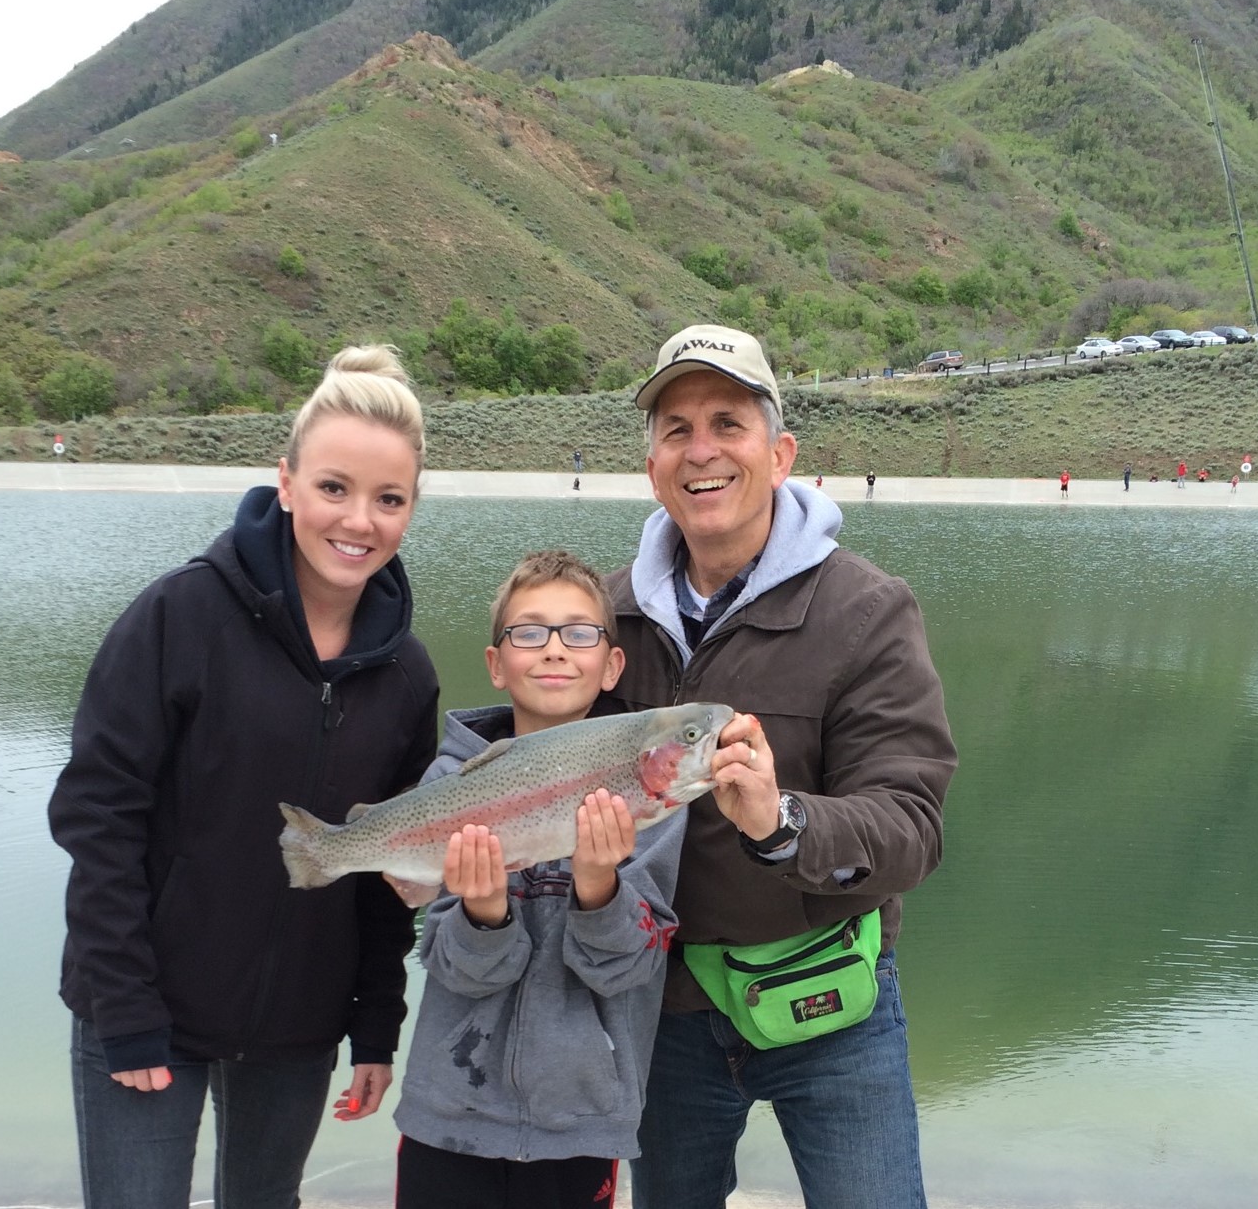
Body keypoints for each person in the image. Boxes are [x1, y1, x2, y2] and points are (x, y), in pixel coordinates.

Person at [47, 345, 441, 1209]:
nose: (360, 520)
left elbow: (387, 860)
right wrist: (125, 1009)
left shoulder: (406, 674)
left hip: (299, 1028)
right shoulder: (181, 615)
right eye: (335, 487)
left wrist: (375, 1026)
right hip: (148, 1005)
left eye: (389, 499)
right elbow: (97, 818)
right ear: (287, 482)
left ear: (411, 509)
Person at [606, 324, 957, 1209]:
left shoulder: (869, 610)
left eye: (728, 422)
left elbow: (912, 828)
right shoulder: (603, 615)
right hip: (667, 1011)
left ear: (780, 451)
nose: (701, 451)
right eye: (675, 428)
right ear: (652, 463)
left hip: (832, 1002)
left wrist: (781, 821)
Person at [392, 550, 682, 1209]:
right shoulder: (449, 786)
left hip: (581, 1129)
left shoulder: (649, 798)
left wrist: (600, 887)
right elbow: (455, 969)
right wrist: (485, 912)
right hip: (448, 1119)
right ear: (497, 663)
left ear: (612, 665)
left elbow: (628, 969)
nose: (554, 649)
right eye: (529, 632)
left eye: (579, 632)